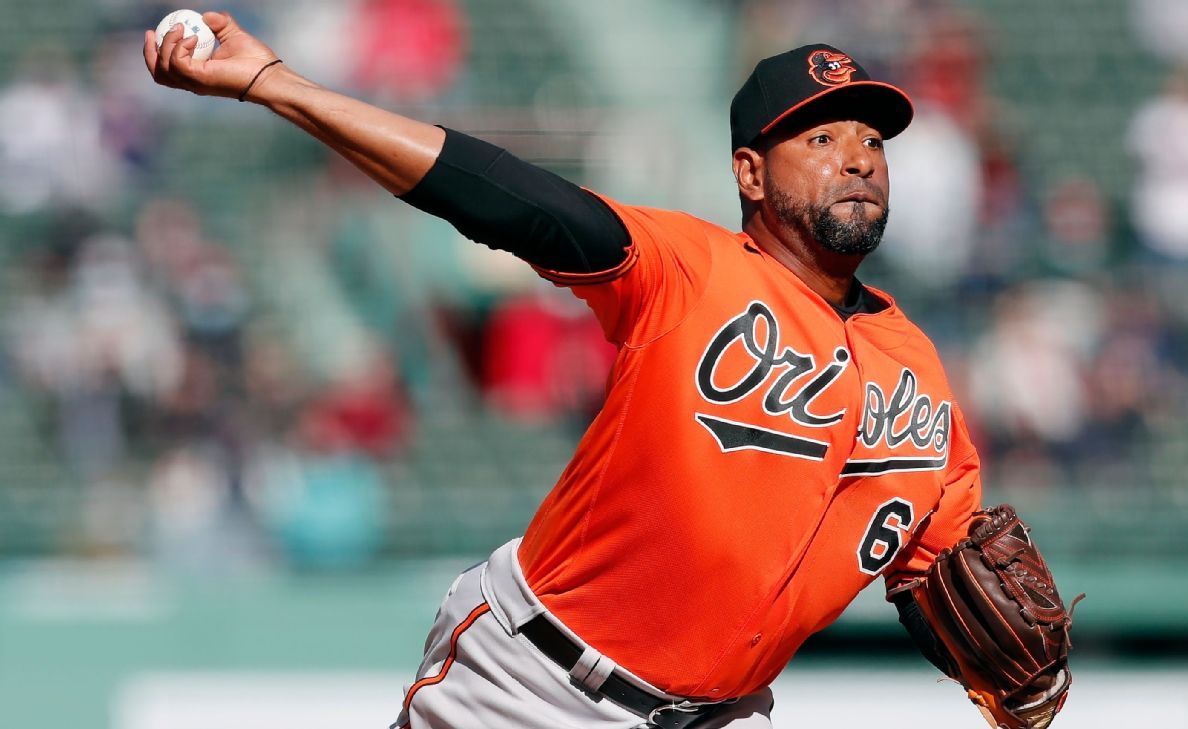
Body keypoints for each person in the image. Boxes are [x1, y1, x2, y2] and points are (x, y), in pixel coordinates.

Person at [146, 15, 985, 728]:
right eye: (823, 136)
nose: (861, 158)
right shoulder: (684, 267)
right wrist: (276, 85)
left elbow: (943, 578)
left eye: (873, 139)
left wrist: (1011, 677)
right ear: (750, 173)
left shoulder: (917, 368)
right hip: (536, 688)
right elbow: (502, 194)